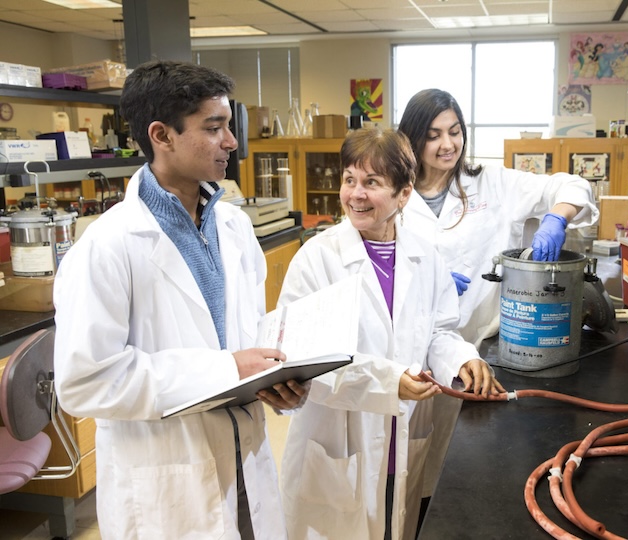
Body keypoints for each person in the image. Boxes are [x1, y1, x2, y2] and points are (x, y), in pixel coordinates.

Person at [53, 59, 306, 539]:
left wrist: (280, 378)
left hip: (246, 460)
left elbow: (249, 335)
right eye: (214, 128)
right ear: (161, 135)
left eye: (229, 126)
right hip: (167, 482)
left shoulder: (233, 226)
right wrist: (227, 370)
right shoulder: (106, 246)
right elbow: (84, 382)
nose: (231, 142)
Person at [274, 125, 503, 540]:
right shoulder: (316, 260)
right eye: (349, 180)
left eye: (372, 183)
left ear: (404, 194)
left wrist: (462, 357)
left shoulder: (425, 257)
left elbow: (439, 330)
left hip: (404, 433)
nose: (355, 194)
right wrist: (387, 382)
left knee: (397, 523)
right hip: (341, 440)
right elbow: (301, 362)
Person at [397, 88, 598, 519]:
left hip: (481, 352)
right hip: (410, 352)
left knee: (466, 479)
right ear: (413, 138)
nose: (447, 144)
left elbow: (571, 184)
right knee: (406, 478)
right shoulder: (396, 191)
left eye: (455, 132)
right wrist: (419, 282)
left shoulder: (492, 182)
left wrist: (554, 217)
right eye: (433, 135)